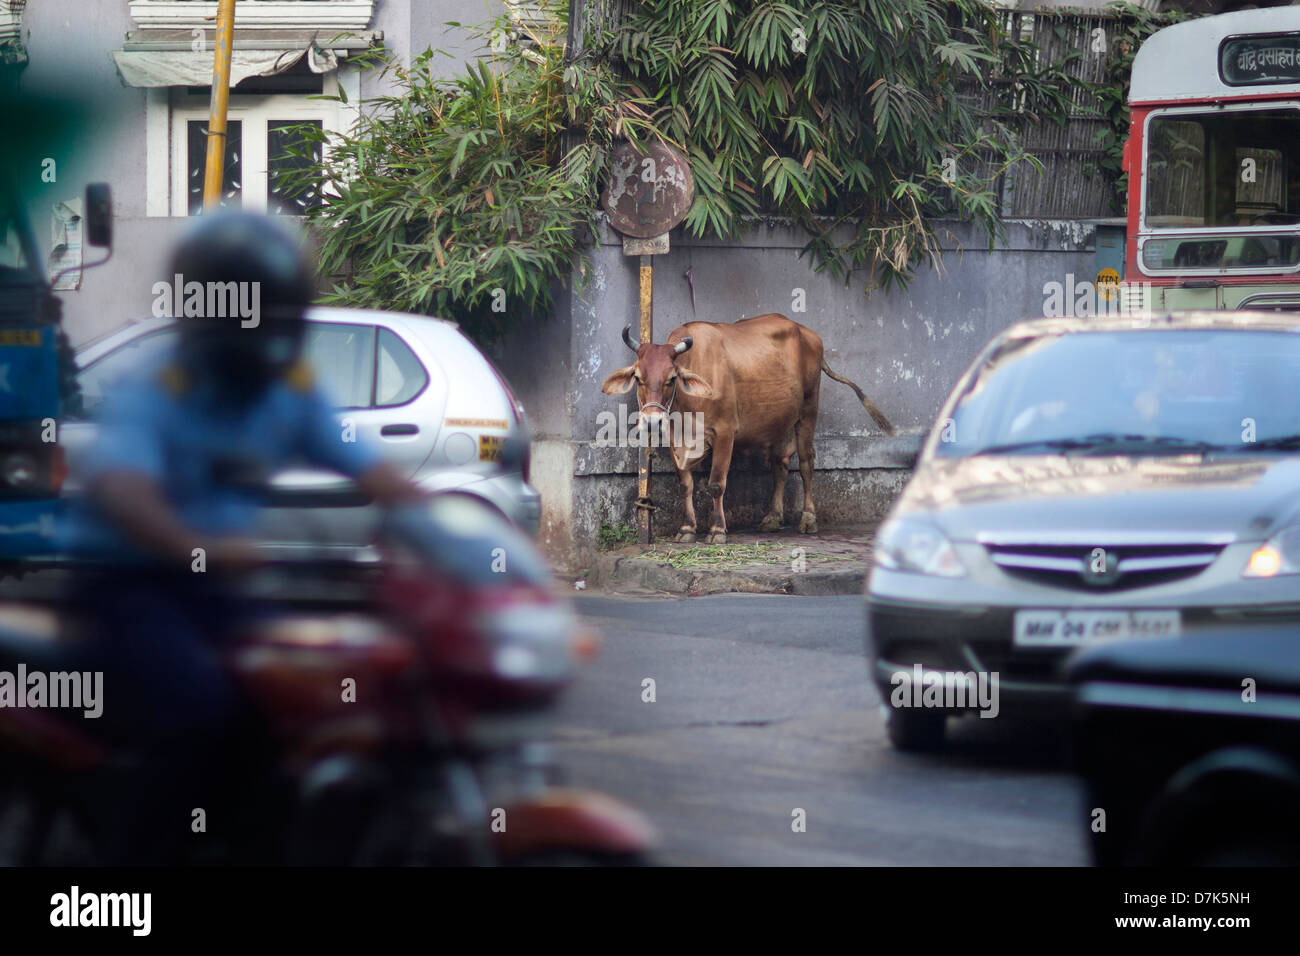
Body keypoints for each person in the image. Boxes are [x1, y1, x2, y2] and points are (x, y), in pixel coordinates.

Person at [60, 211, 423, 864]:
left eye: (282, 309)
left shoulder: (289, 388)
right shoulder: (157, 386)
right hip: (134, 589)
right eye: (258, 309)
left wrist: (445, 526)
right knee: (196, 708)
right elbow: (124, 489)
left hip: (224, 593)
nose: (270, 327)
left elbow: (371, 467)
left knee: (301, 702)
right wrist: (192, 543)